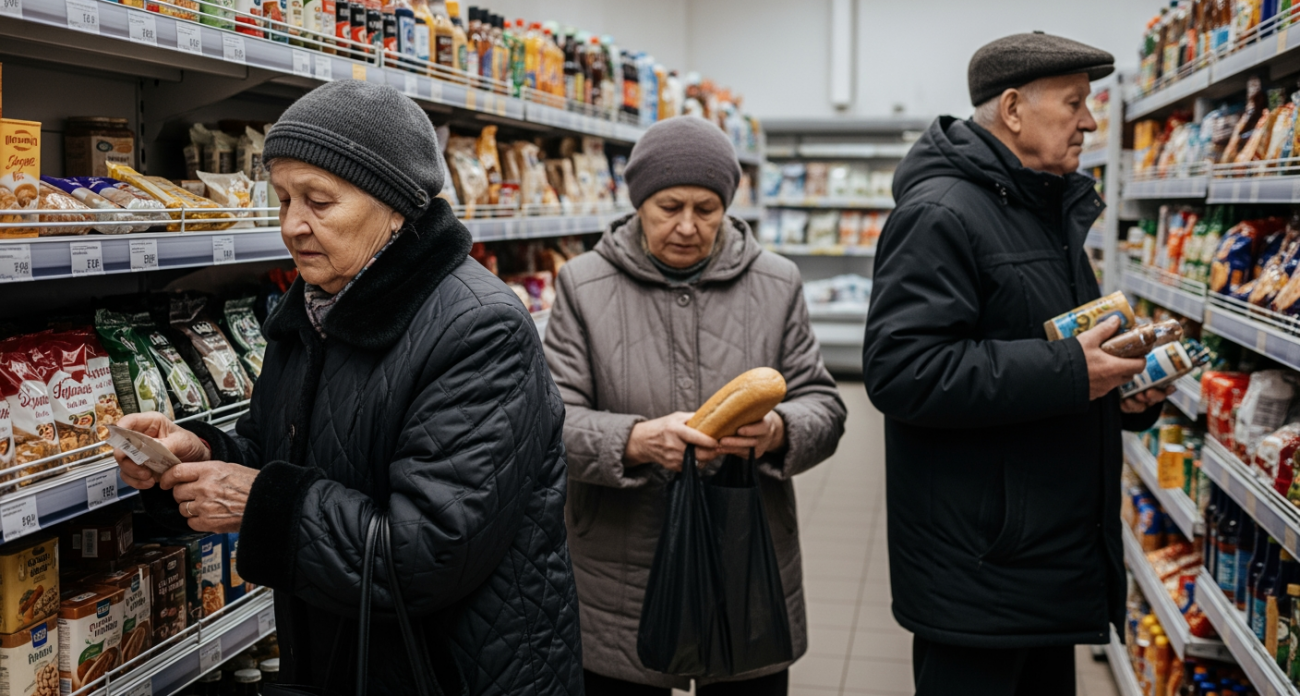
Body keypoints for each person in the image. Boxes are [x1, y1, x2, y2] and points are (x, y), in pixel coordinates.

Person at [112, 81, 582, 696]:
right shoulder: (314, 310)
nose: (292, 226)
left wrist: (259, 504)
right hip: (342, 656)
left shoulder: (479, 328)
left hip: (457, 672)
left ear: (397, 206)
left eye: (319, 201)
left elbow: (428, 553)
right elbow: (280, 456)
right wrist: (201, 454)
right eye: (283, 199)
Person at [862, 32, 1172, 695]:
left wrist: (1119, 387)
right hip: (981, 564)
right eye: (1074, 103)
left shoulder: (1043, 206)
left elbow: (1051, 347)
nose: (1090, 122)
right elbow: (904, 370)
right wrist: (1073, 372)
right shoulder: (940, 213)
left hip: (1044, 559)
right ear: (1011, 109)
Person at [543, 115, 847, 696]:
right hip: (621, 568)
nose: (687, 226)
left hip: (744, 552)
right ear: (638, 203)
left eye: (706, 209)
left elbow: (825, 406)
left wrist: (779, 431)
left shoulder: (777, 282)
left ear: (727, 206)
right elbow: (551, 423)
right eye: (669, 207)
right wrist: (635, 441)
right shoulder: (583, 284)